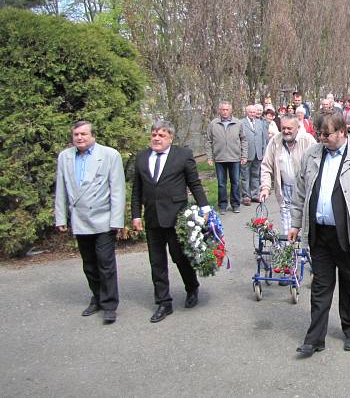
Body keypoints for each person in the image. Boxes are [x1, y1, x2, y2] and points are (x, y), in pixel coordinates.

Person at [289, 111, 350, 356]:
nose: (322, 138)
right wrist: (295, 224)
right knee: (320, 287)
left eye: (326, 134)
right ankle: (315, 339)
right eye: (319, 133)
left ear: (342, 131)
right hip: (320, 234)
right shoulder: (312, 155)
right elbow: (300, 193)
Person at [132, 121, 211, 323]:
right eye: (154, 135)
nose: (156, 138)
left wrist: (205, 207)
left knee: (180, 257)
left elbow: (194, 183)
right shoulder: (142, 158)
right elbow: (137, 191)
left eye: (161, 135)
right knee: (156, 262)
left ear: (171, 138)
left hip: (176, 216)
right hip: (152, 218)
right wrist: (136, 215)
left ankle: (192, 287)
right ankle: (163, 302)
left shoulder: (182, 155)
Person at [54, 121, 126, 324]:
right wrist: (60, 217)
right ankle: (98, 297)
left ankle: (110, 304)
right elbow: (61, 189)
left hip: (103, 218)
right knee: (89, 264)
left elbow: (118, 189)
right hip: (79, 219)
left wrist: (117, 220)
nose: (79, 138)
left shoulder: (110, 155)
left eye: (83, 134)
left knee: (106, 263)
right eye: (76, 134)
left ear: (93, 135)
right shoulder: (65, 157)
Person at [259, 115, 316, 234]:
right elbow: (266, 166)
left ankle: (305, 250)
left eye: (289, 128)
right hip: (285, 189)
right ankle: (288, 251)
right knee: (287, 229)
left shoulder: (308, 140)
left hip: (304, 190)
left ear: (298, 127)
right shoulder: (275, 141)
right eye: (283, 128)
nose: (286, 131)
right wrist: (265, 187)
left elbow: (317, 165)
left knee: (305, 225)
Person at [206, 101, 248, 214]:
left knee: (235, 182)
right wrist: (209, 157)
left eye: (227, 110)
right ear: (219, 110)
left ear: (231, 110)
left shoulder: (238, 123)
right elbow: (209, 141)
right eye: (223, 110)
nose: (225, 112)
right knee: (221, 183)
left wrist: (244, 156)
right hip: (219, 158)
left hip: (235, 158)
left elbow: (243, 140)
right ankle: (222, 205)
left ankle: (235, 204)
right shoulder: (213, 124)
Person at [241, 104, 269, 205]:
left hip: (258, 154)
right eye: (251, 112)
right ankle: (246, 196)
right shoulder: (241, 123)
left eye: (254, 112)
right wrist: (242, 154)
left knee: (256, 175)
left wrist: (264, 152)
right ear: (247, 113)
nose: (253, 114)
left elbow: (264, 138)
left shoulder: (260, 123)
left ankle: (255, 194)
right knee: (245, 176)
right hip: (246, 154)